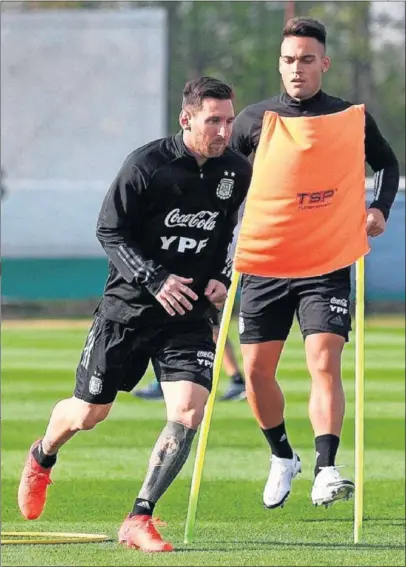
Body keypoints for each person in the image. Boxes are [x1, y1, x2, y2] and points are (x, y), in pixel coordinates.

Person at [18, 76, 252, 552]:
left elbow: (234, 233)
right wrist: (155, 279)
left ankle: (139, 516)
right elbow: (109, 229)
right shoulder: (147, 165)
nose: (224, 131)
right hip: (126, 311)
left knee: (188, 410)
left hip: (187, 316)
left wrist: (223, 277)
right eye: (214, 121)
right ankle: (42, 455)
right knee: (89, 413)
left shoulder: (235, 172)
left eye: (229, 121)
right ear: (186, 119)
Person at [230, 17, 399, 510]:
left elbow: (387, 163)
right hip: (265, 261)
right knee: (258, 373)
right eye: (288, 60)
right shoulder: (253, 120)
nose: (297, 68)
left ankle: (327, 468)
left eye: (307, 59)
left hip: (325, 261)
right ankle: (282, 456)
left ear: (323, 63)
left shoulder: (349, 117)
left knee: (324, 360)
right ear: (279, 65)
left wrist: (378, 208)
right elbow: (227, 177)